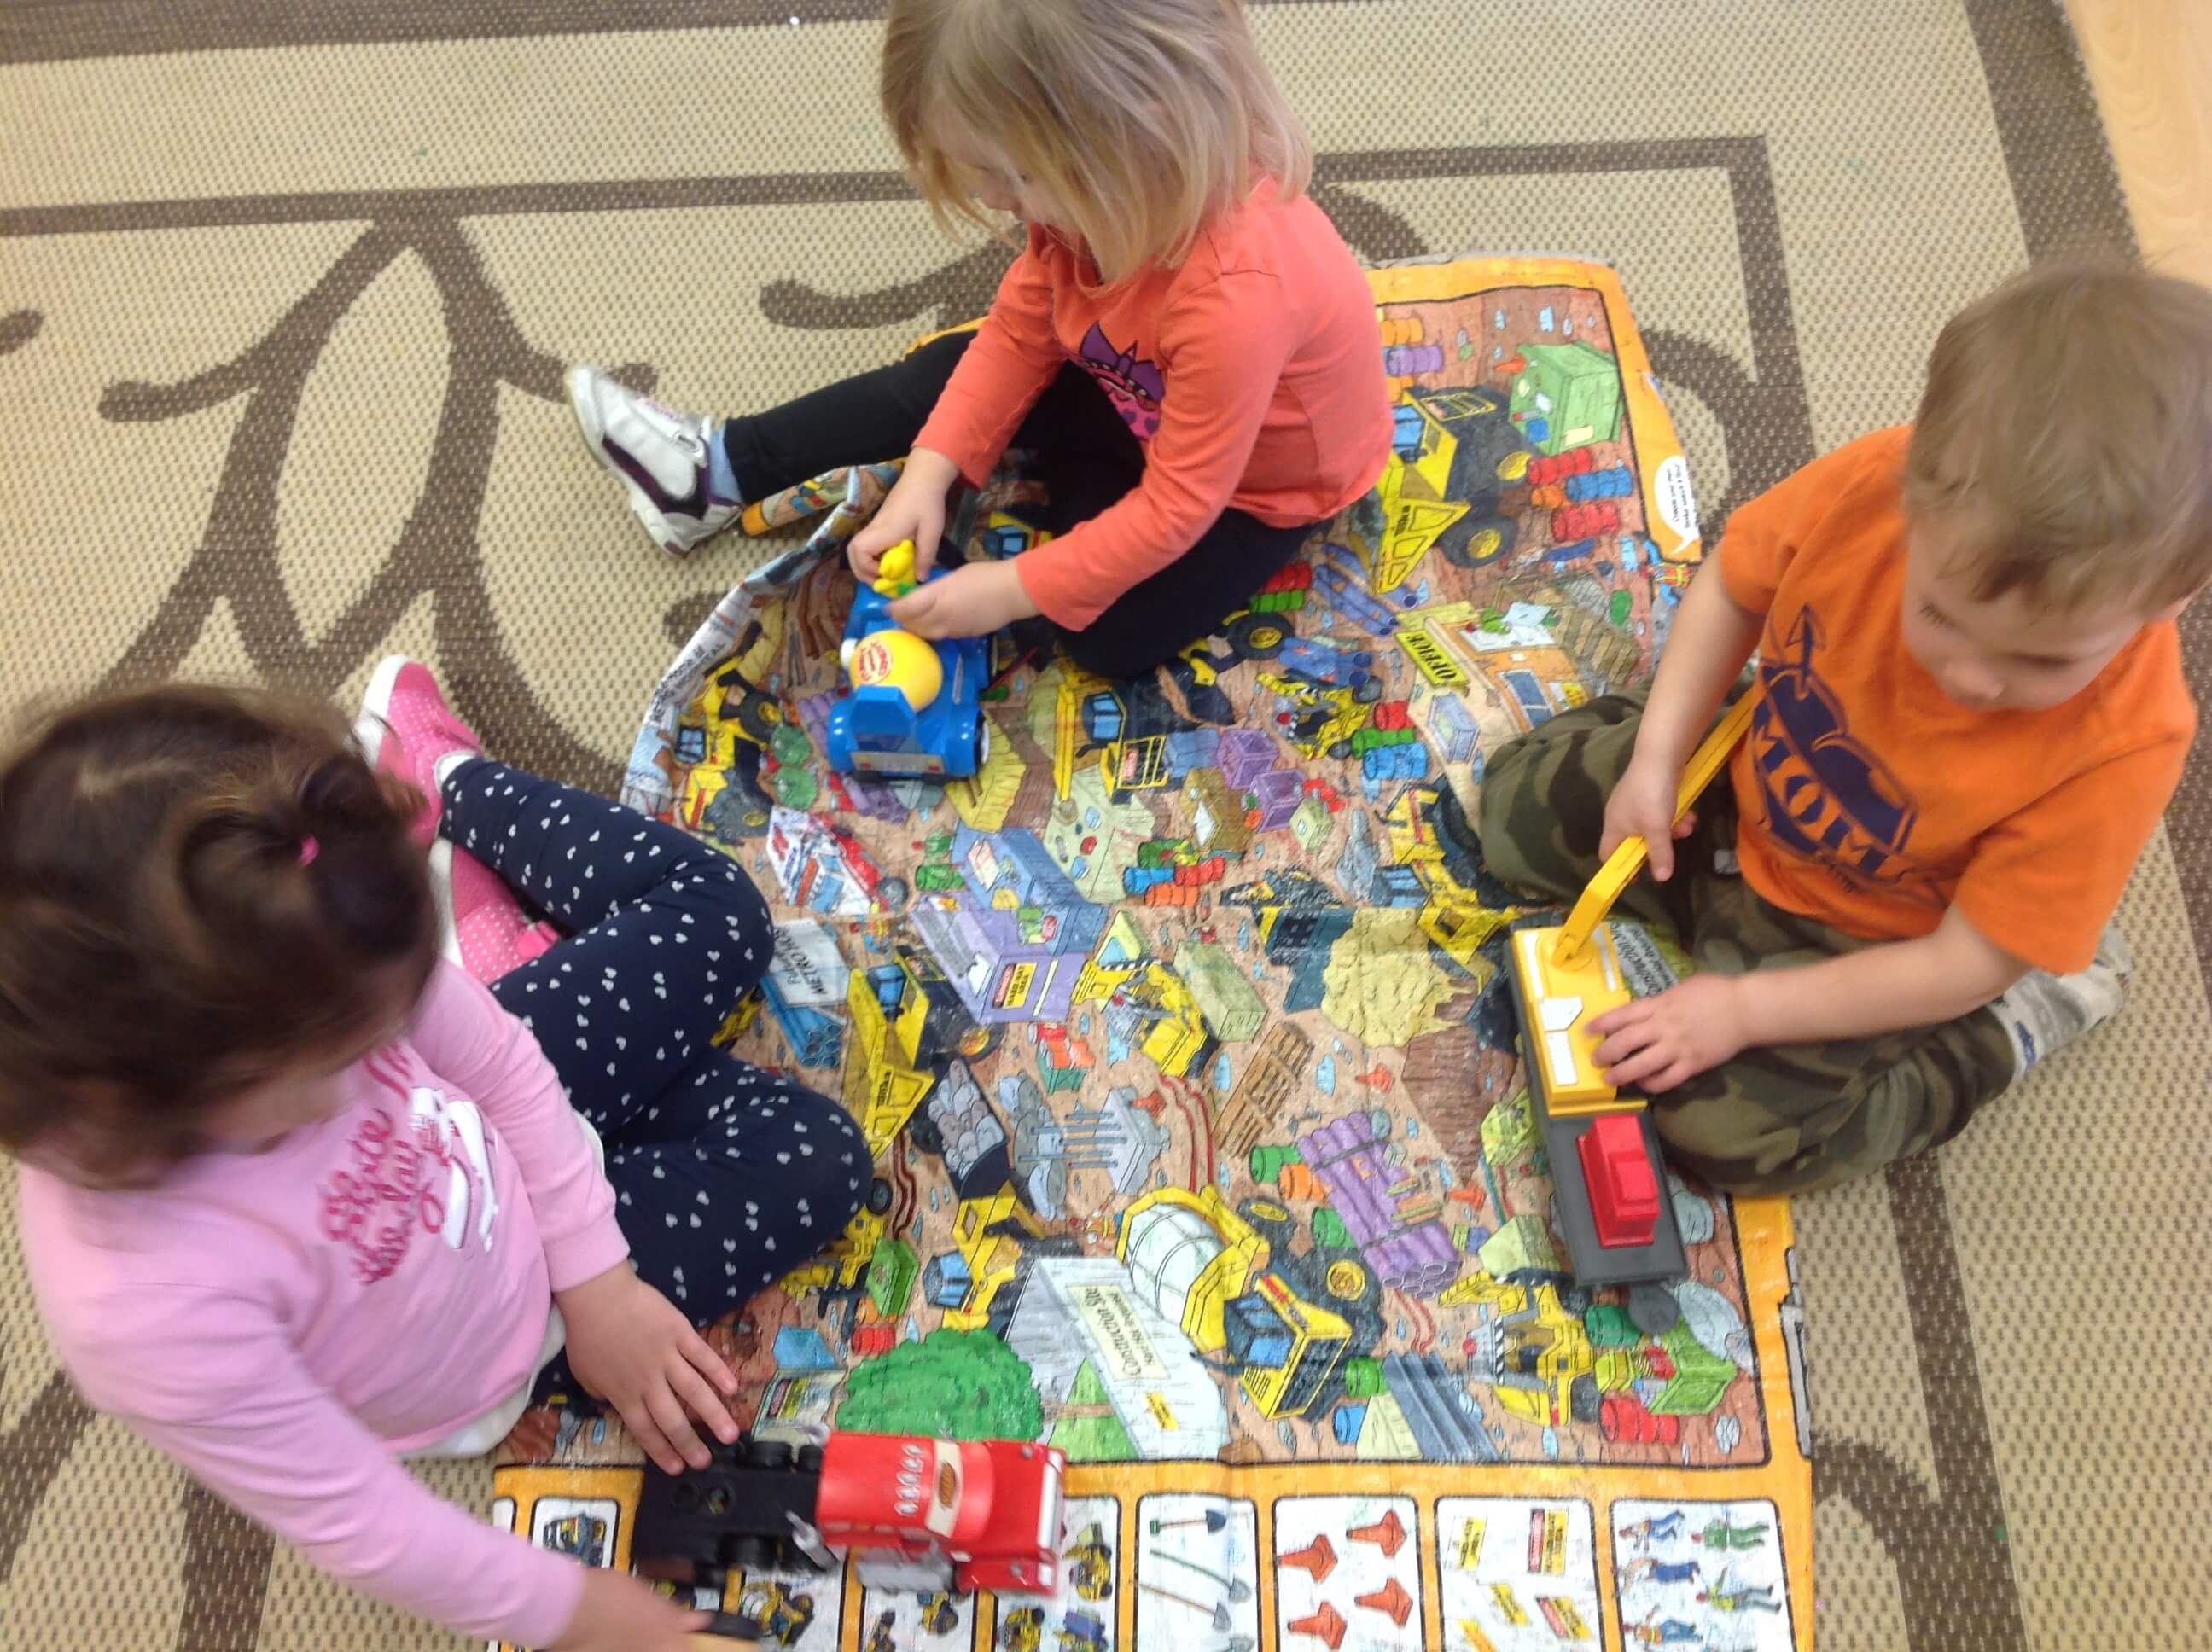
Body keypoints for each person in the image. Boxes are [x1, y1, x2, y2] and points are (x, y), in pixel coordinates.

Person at [0, 662, 869, 1652]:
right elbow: (364, 1522)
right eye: (349, 1046)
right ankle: (498, 939)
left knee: (721, 903)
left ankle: (447, 781)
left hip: (516, 1153)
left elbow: (497, 1055)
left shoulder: (311, 931)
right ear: (177, 1096)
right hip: (509, 1335)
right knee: (817, 1159)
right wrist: (591, 1619)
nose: (389, 1045)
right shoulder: (145, 1310)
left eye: (399, 1001)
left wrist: (603, 1276)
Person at [1477, 260, 2209, 1193]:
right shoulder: (1878, 482)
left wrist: (1745, 1011)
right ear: (1916, 489)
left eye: (2044, 662)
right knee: (1508, 811)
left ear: (2174, 599)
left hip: (1881, 939)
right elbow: (1732, 590)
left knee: (1718, 1142)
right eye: (1940, 614)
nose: (1972, 678)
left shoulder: (2127, 739)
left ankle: (2014, 1024)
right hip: (1740, 799)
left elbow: (1961, 959)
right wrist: (1657, 760)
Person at [566, 0, 1389, 681]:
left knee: (1107, 641)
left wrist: (1010, 588)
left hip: (1261, 489)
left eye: (1013, 174)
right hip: (1141, 394)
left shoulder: (1234, 298)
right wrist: (930, 473)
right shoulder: (1105, 197)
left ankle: (1072, 475)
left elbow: (1179, 507)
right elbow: (1016, 334)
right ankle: (717, 468)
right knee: (945, 375)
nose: (997, 201)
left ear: (1137, 134)